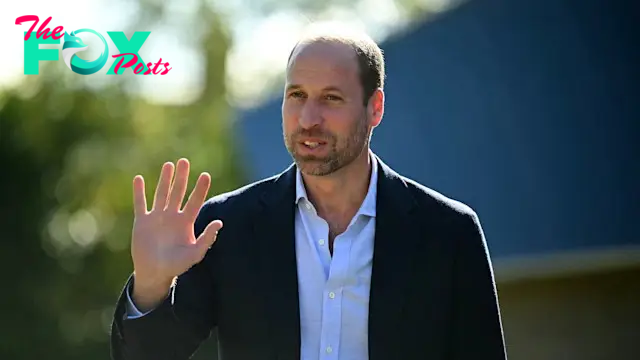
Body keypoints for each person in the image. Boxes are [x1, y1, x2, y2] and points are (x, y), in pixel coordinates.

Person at [110, 24, 507, 360]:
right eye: (296, 95)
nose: (308, 118)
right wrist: (150, 286)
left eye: (331, 98)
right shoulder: (227, 227)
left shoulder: (448, 234)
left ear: (375, 108)